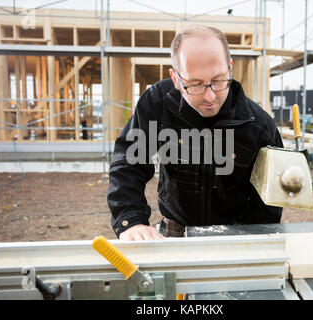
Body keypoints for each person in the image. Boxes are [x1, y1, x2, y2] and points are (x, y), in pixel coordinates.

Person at [107, 25, 283, 241]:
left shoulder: (258, 125)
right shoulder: (157, 104)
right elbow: (128, 163)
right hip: (175, 233)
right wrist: (131, 220)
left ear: (230, 67)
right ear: (176, 79)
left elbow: (269, 202)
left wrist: (254, 243)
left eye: (218, 81)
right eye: (195, 85)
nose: (210, 97)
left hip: (237, 236)